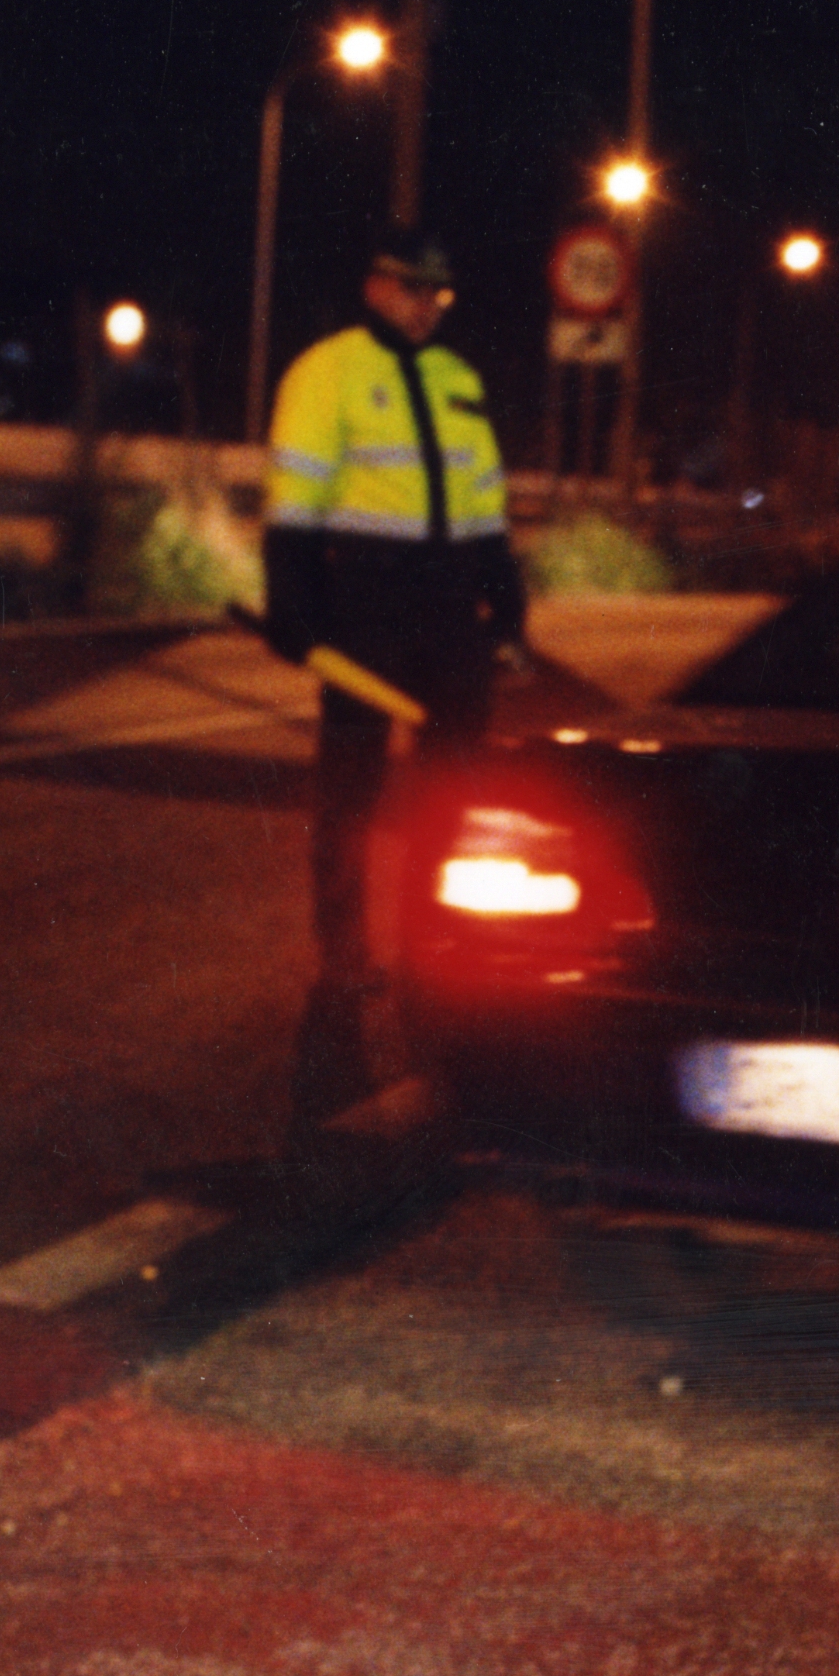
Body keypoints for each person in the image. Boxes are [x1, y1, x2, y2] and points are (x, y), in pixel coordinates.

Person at [260, 226, 526, 1123]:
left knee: (453, 781)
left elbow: (485, 502)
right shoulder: (324, 372)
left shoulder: (459, 381)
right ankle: (342, 954)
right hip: (366, 607)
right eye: (415, 290)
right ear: (376, 286)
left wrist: (507, 601)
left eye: (440, 296)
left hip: (452, 610)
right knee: (350, 786)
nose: (428, 307)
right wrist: (292, 608)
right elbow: (294, 503)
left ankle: (427, 942)